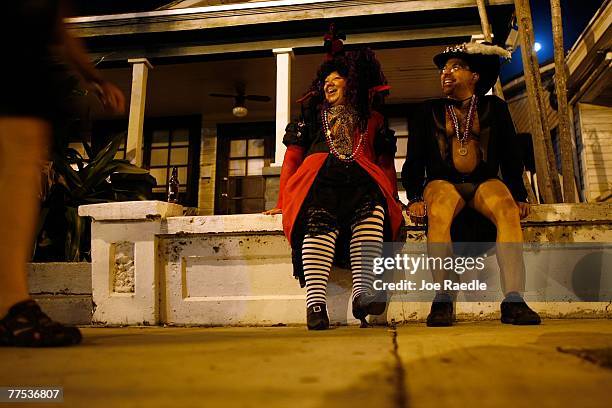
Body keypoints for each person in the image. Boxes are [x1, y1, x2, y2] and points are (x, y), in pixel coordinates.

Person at [0, 1, 125, 347]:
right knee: (18, 158)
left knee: (19, 160)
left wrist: (93, 76)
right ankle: (9, 305)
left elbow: (58, 23)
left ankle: (9, 302)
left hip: (25, 49)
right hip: (14, 46)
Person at [264, 27, 404, 330]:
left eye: (336, 79)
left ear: (351, 83)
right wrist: (282, 201)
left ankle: (363, 294)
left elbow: (385, 162)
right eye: (325, 81)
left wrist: (393, 198)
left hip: (363, 180)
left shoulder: (373, 119)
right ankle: (315, 304)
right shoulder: (311, 116)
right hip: (319, 181)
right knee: (318, 224)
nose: (328, 84)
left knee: (372, 215)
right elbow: (292, 159)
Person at [401, 42, 541, 327]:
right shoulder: (428, 110)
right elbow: (414, 158)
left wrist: (519, 194)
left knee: (506, 208)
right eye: (443, 69)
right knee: (438, 208)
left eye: (455, 67)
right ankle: (443, 300)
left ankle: (514, 300)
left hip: (482, 181)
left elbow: (511, 155)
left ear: (474, 76)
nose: (445, 73)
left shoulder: (495, 107)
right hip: (442, 182)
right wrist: (415, 195)